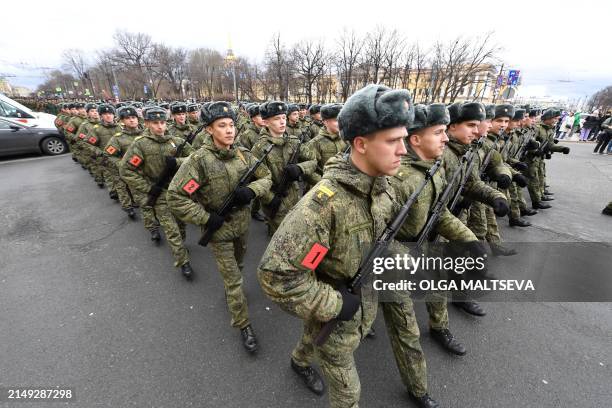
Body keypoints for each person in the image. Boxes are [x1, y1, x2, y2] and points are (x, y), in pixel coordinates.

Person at [258, 84, 440, 408]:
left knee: (311, 338)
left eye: (403, 138)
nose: (403, 149)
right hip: (338, 319)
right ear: (360, 143)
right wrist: (334, 304)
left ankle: (299, 360)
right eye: (392, 140)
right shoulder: (322, 205)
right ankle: (304, 358)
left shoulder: (384, 189)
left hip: (363, 307)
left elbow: (381, 241)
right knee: (348, 397)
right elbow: (276, 276)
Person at [167, 101, 272, 353]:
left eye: (231, 125)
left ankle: (233, 294)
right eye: (222, 125)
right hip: (219, 231)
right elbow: (175, 196)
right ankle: (243, 324)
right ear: (209, 130)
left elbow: (267, 176)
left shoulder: (243, 154)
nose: (229, 130)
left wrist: (251, 190)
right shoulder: (198, 161)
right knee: (234, 280)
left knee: (241, 264)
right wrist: (204, 218)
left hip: (243, 225)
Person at [120, 107, 195, 279]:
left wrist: (177, 162)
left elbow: (196, 157)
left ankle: (180, 246)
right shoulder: (140, 144)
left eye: (162, 122)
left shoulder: (175, 141)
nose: (160, 127)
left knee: (181, 225)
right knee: (171, 230)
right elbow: (126, 170)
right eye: (155, 123)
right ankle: (183, 261)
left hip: (179, 193)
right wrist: (148, 188)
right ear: (146, 123)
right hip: (159, 193)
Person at [251, 101, 316, 235]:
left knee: (297, 232)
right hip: (274, 199)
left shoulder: (293, 141)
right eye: (277, 119)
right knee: (283, 236)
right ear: (266, 122)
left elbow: (312, 160)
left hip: (294, 196)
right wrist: (271, 199)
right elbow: (256, 179)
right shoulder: (259, 148)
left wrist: (300, 168)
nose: (282, 122)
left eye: (283, 118)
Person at [303, 103, 347, 190]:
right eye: (336, 120)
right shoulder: (315, 143)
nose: (340, 123)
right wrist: (325, 183)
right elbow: (309, 171)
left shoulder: (347, 140)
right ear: (325, 122)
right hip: (323, 189)